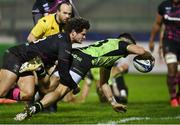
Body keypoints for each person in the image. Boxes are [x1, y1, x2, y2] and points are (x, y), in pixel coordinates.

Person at [14, 33, 155, 121]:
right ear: (127, 42)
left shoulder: (109, 57)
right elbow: (141, 51)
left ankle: (37, 82)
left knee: (49, 87)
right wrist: (150, 58)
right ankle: (34, 101)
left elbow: (104, 84)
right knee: (60, 92)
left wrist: (113, 103)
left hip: (75, 53)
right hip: (83, 62)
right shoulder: (122, 44)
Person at [0, 17, 90, 108]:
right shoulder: (65, 44)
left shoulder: (63, 39)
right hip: (16, 56)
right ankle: (5, 91)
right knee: (1, 92)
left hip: (27, 62)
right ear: (74, 33)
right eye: (83, 34)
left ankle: (7, 91)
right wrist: (74, 86)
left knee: (27, 95)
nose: (84, 37)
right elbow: (64, 74)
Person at [149, 0, 180, 107]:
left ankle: (178, 96)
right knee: (172, 70)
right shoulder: (164, 6)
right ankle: (173, 98)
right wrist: (152, 40)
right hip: (170, 42)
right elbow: (158, 24)